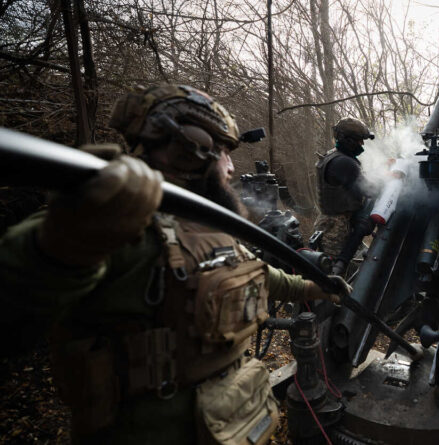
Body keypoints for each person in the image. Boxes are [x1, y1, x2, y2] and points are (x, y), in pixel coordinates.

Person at [0, 84, 345, 445]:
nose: (229, 168)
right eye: (223, 152)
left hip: (230, 425)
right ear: (189, 149)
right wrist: (68, 240)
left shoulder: (205, 225)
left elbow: (254, 272)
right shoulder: (102, 223)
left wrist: (312, 287)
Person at [313, 117, 375, 274]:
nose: (362, 144)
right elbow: (368, 189)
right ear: (348, 141)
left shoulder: (334, 156)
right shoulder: (344, 163)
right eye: (360, 140)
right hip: (337, 228)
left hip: (330, 222)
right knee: (333, 273)